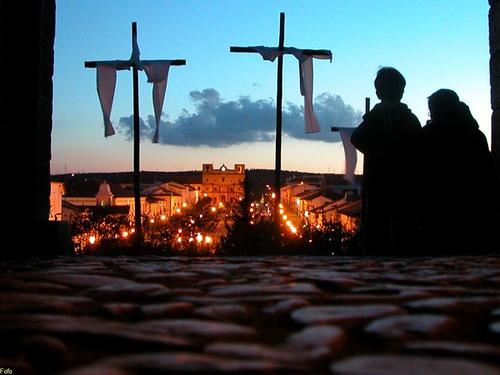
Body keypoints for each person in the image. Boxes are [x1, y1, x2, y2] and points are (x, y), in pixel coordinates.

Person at [351, 67, 422, 255]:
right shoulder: (410, 118)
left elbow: (356, 137)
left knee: (377, 229)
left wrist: (376, 153)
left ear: (378, 92)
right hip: (405, 179)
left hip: (379, 179)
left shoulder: (377, 116)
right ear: (400, 91)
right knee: (404, 227)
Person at [420, 89, 497, 254]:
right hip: (474, 212)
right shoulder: (475, 135)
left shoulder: (427, 136)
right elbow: (488, 174)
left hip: (436, 213)